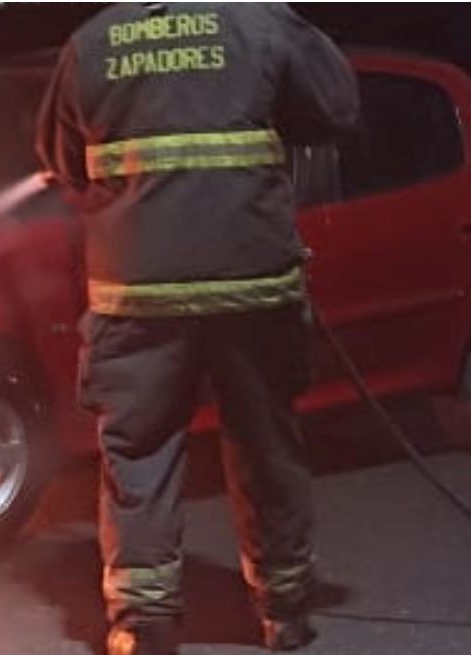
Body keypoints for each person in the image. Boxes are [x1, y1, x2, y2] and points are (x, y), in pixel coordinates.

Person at [34, 4, 358, 654]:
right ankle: (284, 609)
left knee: (139, 451)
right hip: (250, 283)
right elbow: (336, 106)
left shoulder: (93, 43)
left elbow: (62, 160)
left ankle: (143, 622)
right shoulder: (259, 23)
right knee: (265, 444)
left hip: (137, 293)